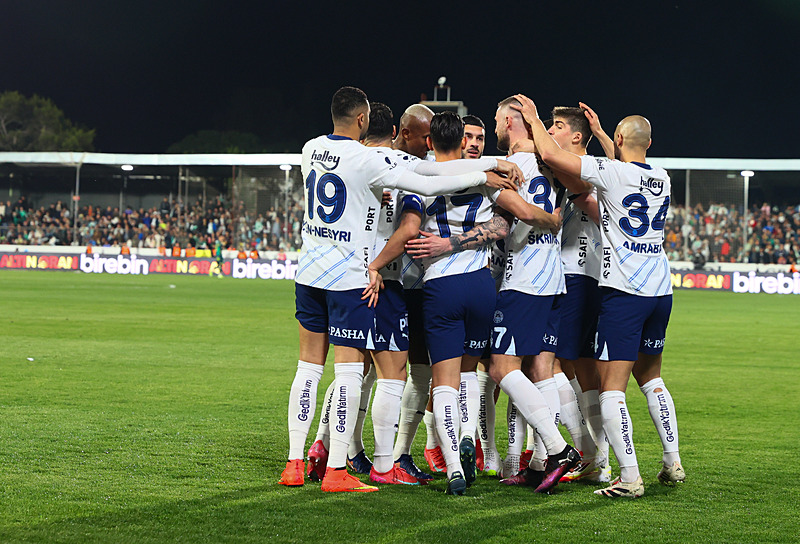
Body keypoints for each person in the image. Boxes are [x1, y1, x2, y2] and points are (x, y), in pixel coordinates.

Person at [281, 86, 518, 493]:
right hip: (362, 277)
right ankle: (351, 467)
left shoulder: (311, 148)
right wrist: (487, 171)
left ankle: (297, 460)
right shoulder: (374, 161)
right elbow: (431, 180)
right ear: (370, 122)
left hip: (309, 272)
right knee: (362, 372)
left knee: (310, 369)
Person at [378, 111, 563, 494]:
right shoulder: (484, 178)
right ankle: (472, 436)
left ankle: (453, 469)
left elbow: (411, 225)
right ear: (463, 141)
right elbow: (510, 221)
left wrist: (377, 264)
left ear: (430, 142)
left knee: (443, 383)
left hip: (440, 286)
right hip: (480, 285)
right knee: (472, 375)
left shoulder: (419, 179)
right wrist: (553, 218)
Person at [512, 93, 683, 498]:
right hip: (661, 291)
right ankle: (672, 461)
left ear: (620, 139)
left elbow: (554, 158)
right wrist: (606, 135)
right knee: (652, 378)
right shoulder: (662, 177)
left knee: (611, 389)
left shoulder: (611, 172)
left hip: (625, 293)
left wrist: (533, 119)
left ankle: (628, 476)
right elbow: (623, 165)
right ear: (648, 143)